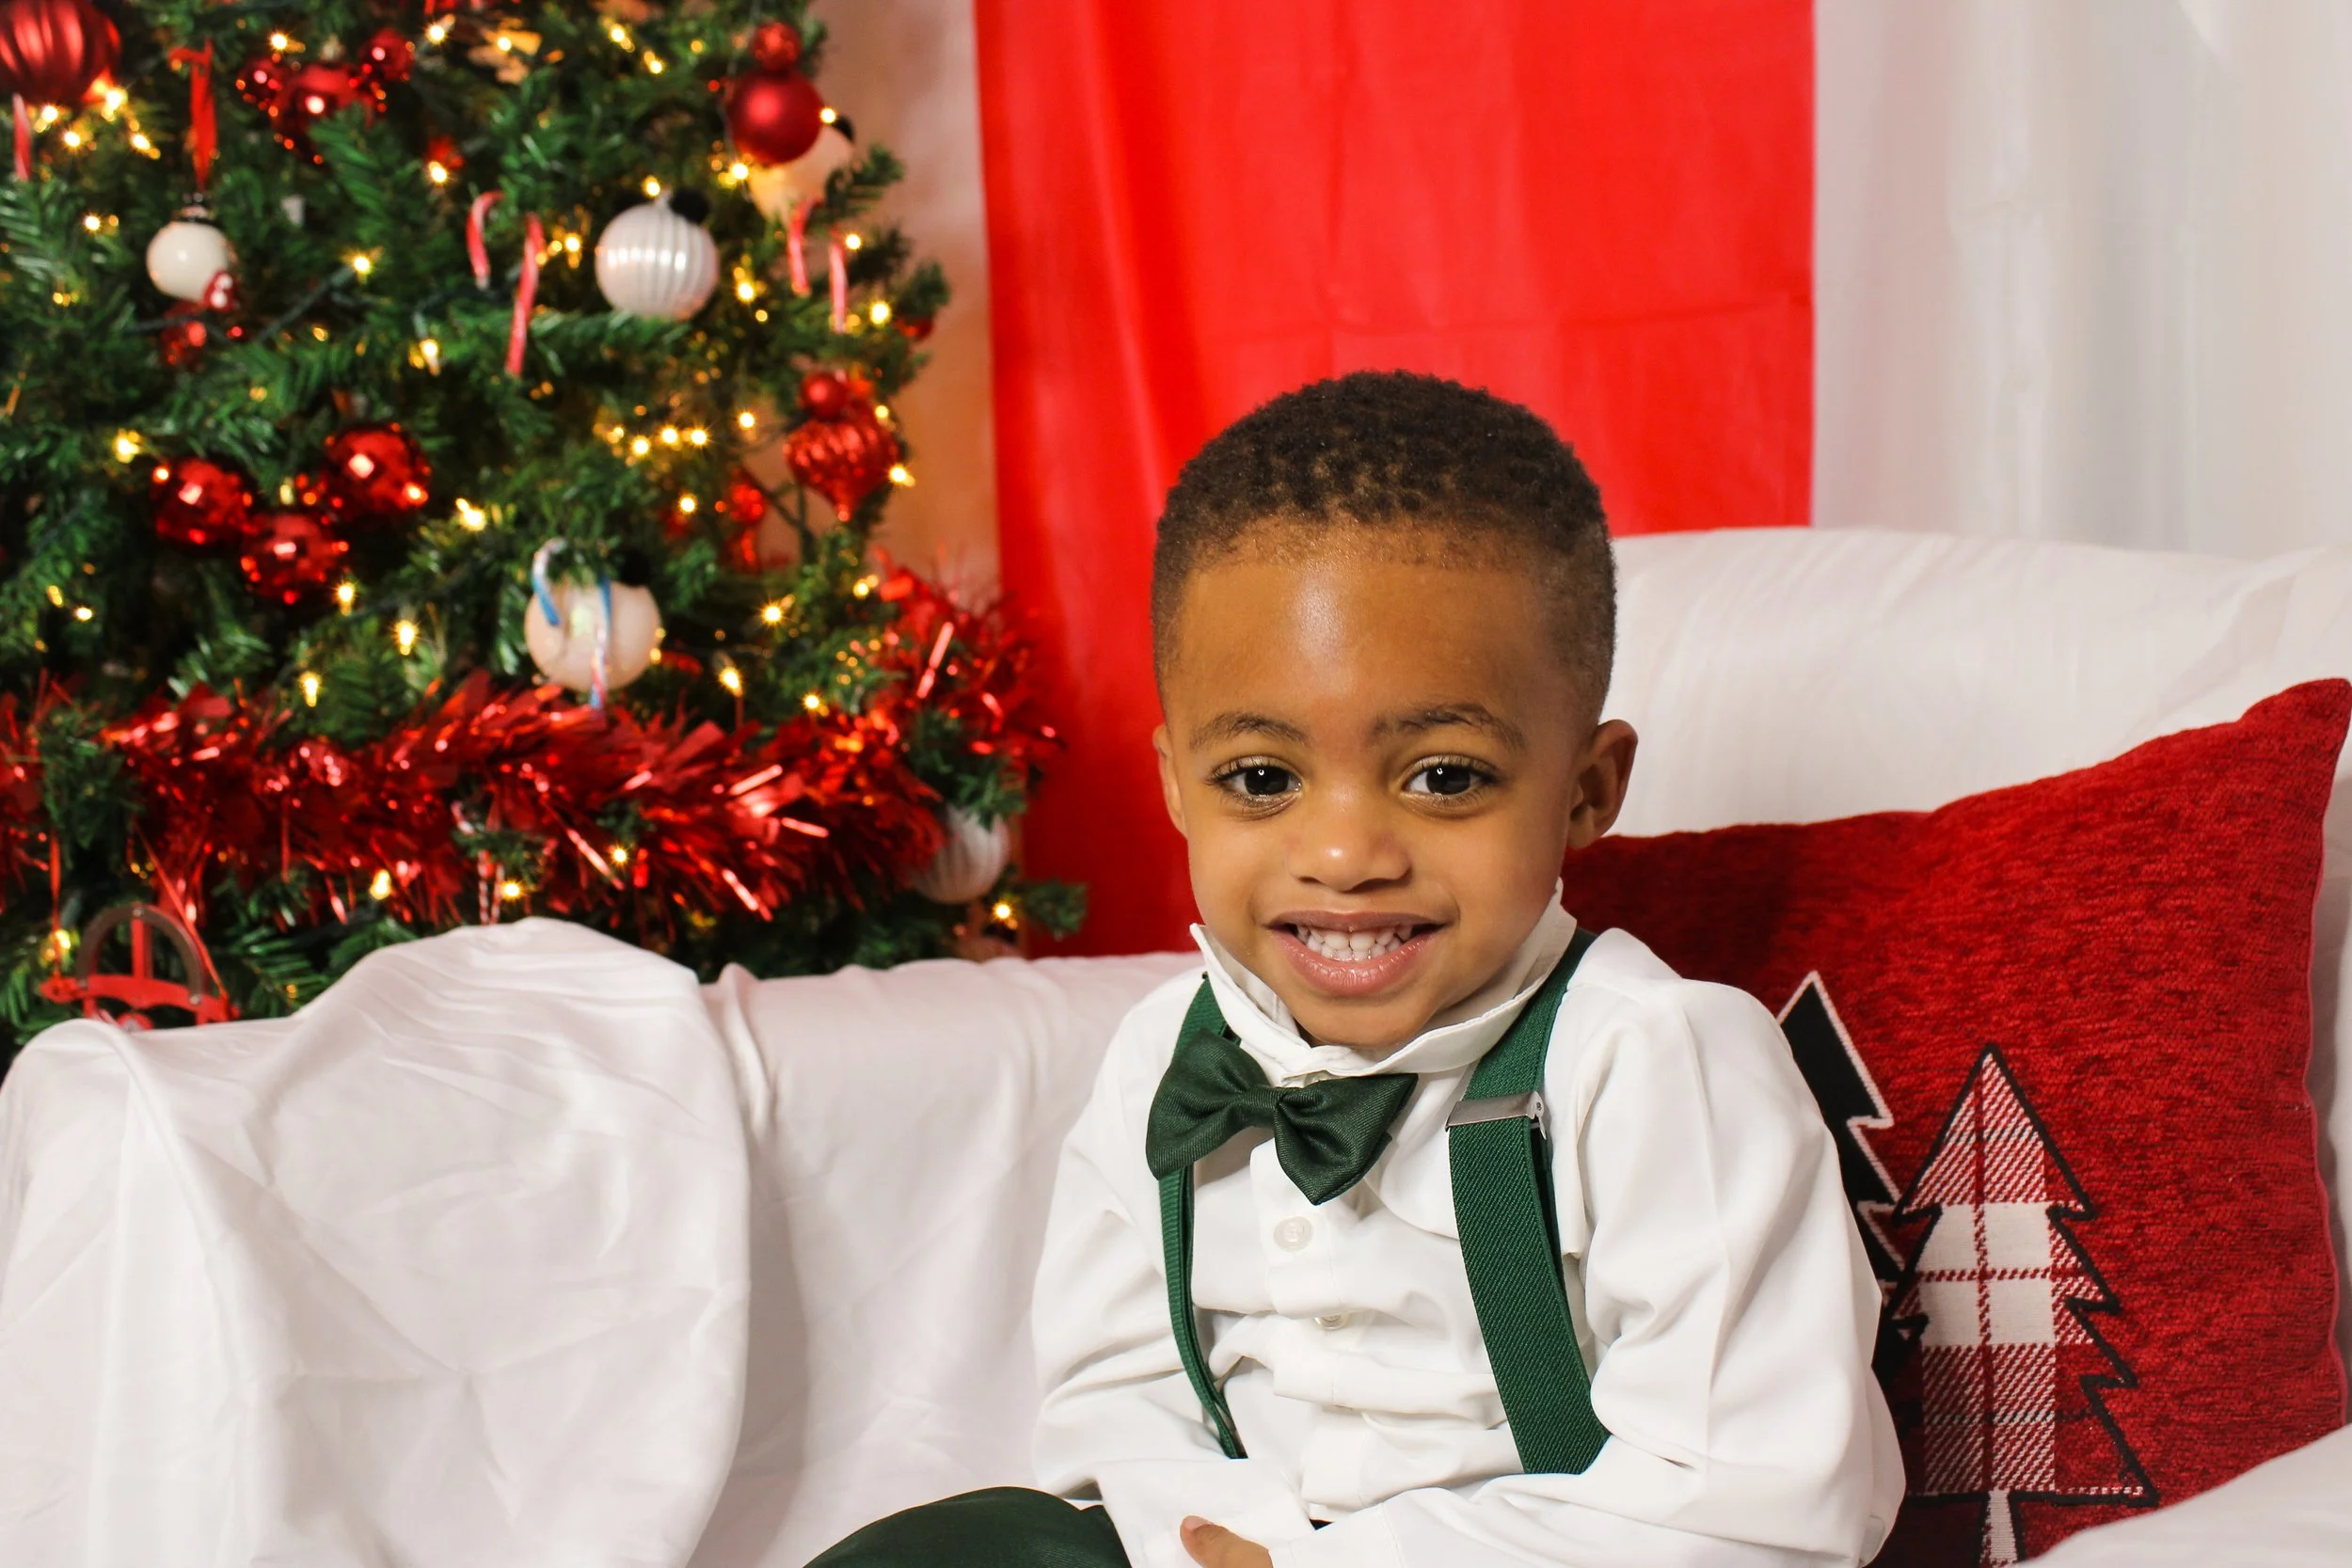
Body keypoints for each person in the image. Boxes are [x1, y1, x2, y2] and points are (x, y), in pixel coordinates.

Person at [808, 372, 1901, 1568]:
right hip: (1223, 1552)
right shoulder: (1159, 1061)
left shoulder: (1657, 1064)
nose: (1343, 856)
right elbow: (1116, 1399)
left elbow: (1754, 1505)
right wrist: (1213, 1545)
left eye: (1443, 775)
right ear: (1177, 784)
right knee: (947, 1548)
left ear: (1585, 791)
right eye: (1263, 779)